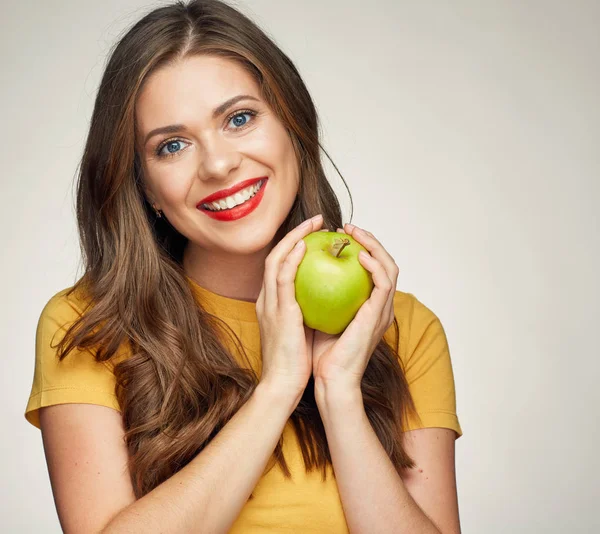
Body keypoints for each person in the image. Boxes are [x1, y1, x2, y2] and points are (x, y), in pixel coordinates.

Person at [24, 0, 463, 532]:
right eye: (173, 145)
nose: (217, 164)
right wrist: (278, 387)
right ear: (146, 187)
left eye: (239, 118)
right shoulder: (88, 328)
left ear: (293, 126)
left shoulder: (401, 328)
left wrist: (339, 394)